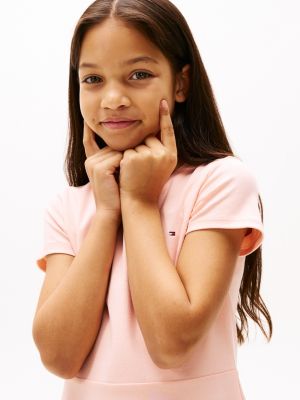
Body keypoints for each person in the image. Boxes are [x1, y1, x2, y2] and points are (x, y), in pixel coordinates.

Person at [32, 1, 272, 399]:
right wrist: (108, 212)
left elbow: (171, 343)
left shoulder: (220, 182)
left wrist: (140, 204)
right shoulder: (69, 206)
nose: (112, 99)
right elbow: (58, 357)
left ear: (180, 83)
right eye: (92, 80)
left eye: (138, 74)